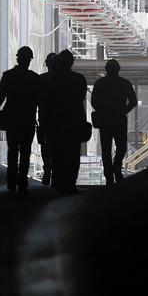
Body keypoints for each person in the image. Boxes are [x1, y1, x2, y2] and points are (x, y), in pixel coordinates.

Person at [0, 46, 40, 194]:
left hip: (13, 120)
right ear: (29, 60)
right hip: (28, 120)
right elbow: (41, 102)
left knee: (13, 151)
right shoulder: (34, 79)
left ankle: (12, 182)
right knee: (25, 151)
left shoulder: (9, 76)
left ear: (18, 58)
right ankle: (22, 181)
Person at [91, 58, 138, 185]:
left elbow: (94, 102)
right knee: (121, 147)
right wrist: (123, 111)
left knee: (106, 149)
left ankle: (109, 176)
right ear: (118, 69)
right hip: (119, 120)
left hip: (105, 120)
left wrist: (104, 109)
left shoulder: (100, 83)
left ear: (106, 69)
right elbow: (133, 101)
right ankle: (116, 168)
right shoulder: (125, 83)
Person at [48, 49, 89, 194]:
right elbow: (80, 99)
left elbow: (47, 102)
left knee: (57, 153)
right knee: (73, 154)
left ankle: (58, 182)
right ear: (71, 63)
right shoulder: (79, 79)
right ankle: (71, 183)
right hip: (74, 121)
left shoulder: (52, 80)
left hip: (56, 122)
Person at [37, 53, 59, 186]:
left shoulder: (41, 79)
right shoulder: (65, 81)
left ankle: (48, 170)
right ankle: (55, 171)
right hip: (59, 120)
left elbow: (35, 100)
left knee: (45, 146)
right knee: (59, 146)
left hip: (45, 119)